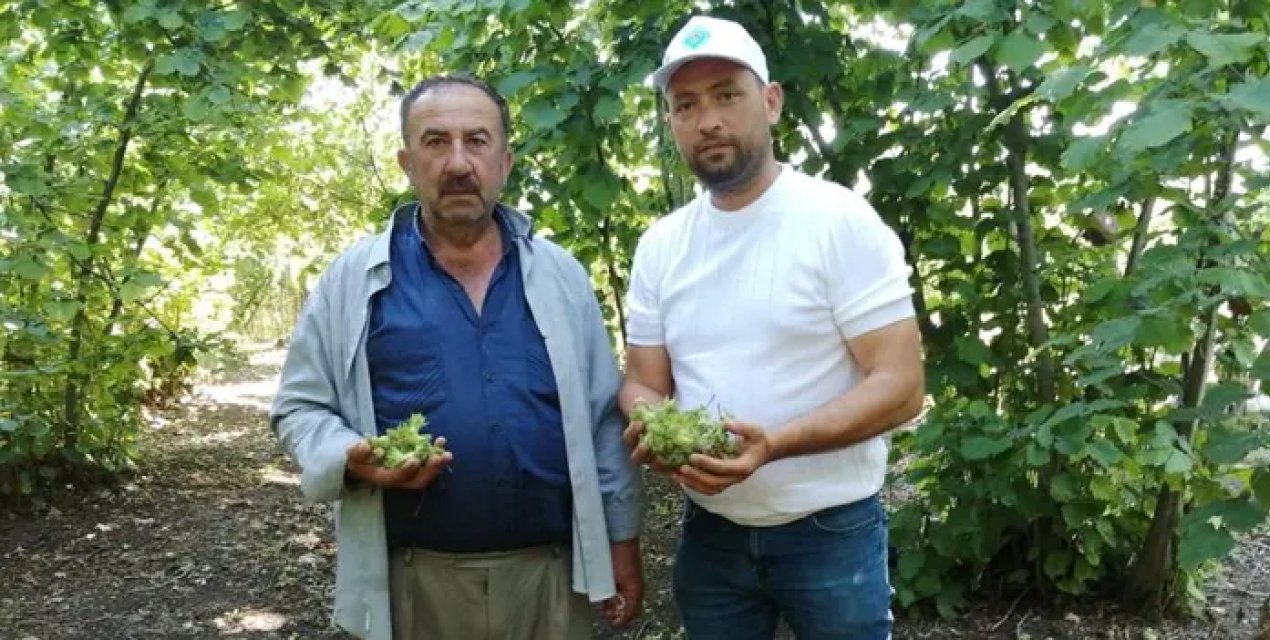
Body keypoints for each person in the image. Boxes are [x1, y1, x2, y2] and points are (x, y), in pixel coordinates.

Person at [270, 75, 642, 640]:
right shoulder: (353, 281)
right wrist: (351, 457)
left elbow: (602, 420)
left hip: (550, 577)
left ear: (505, 162)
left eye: (477, 141)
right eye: (436, 141)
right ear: (407, 162)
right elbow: (299, 407)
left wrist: (622, 541)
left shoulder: (560, 276)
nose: (459, 163)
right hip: (413, 583)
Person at [618, 16, 925, 640]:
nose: (708, 120)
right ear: (671, 122)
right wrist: (656, 430)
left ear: (772, 101)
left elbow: (901, 386)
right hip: (711, 534)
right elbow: (642, 380)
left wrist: (775, 445)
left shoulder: (838, 220)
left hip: (830, 529)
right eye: (686, 104)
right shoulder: (662, 245)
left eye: (726, 95)